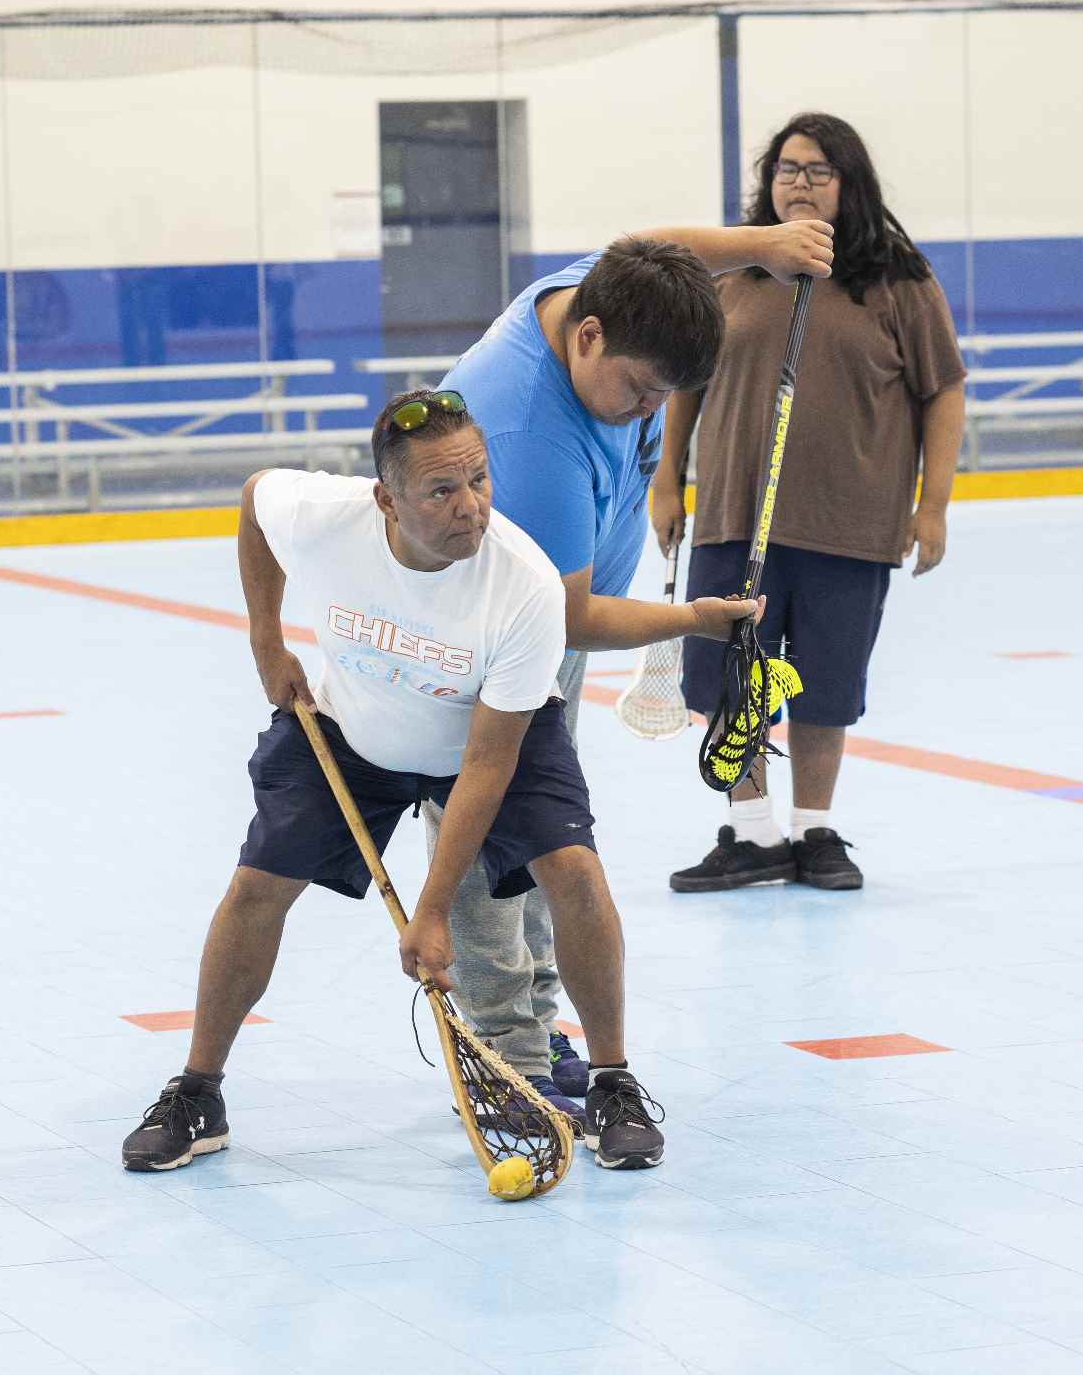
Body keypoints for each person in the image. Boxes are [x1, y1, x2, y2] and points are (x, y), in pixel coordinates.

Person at [121, 389, 669, 1174]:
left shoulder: (525, 585)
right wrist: (266, 641)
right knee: (256, 886)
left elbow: (486, 763)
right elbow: (253, 500)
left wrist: (433, 911)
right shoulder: (325, 517)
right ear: (387, 499)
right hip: (354, 732)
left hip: (484, 738)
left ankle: (613, 1084)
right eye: (441, 491)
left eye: (479, 480)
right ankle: (198, 1092)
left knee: (573, 870)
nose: (470, 506)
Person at [429, 224, 833, 1124]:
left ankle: (534, 1024)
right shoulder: (529, 431)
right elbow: (569, 616)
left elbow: (651, 245)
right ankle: (502, 1053)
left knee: (539, 830)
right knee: (486, 839)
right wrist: (692, 620)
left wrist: (765, 244)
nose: (650, 410)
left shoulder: (610, 295)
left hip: (542, 639)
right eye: (642, 390)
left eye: (666, 396)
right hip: (481, 647)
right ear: (589, 337)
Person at [654, 111, 967, 894]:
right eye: (787, 168)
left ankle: (813, 830)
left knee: (825, 683)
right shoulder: (733, 272)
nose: (799, 182)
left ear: (848, 184)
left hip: (850, 522)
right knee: (732, 677)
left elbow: (944, 389)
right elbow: (683, 382)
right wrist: (666, 481)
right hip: (734, 515)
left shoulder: (898, 281)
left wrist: (932, 505)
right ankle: (752, 832)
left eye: (818, 170)